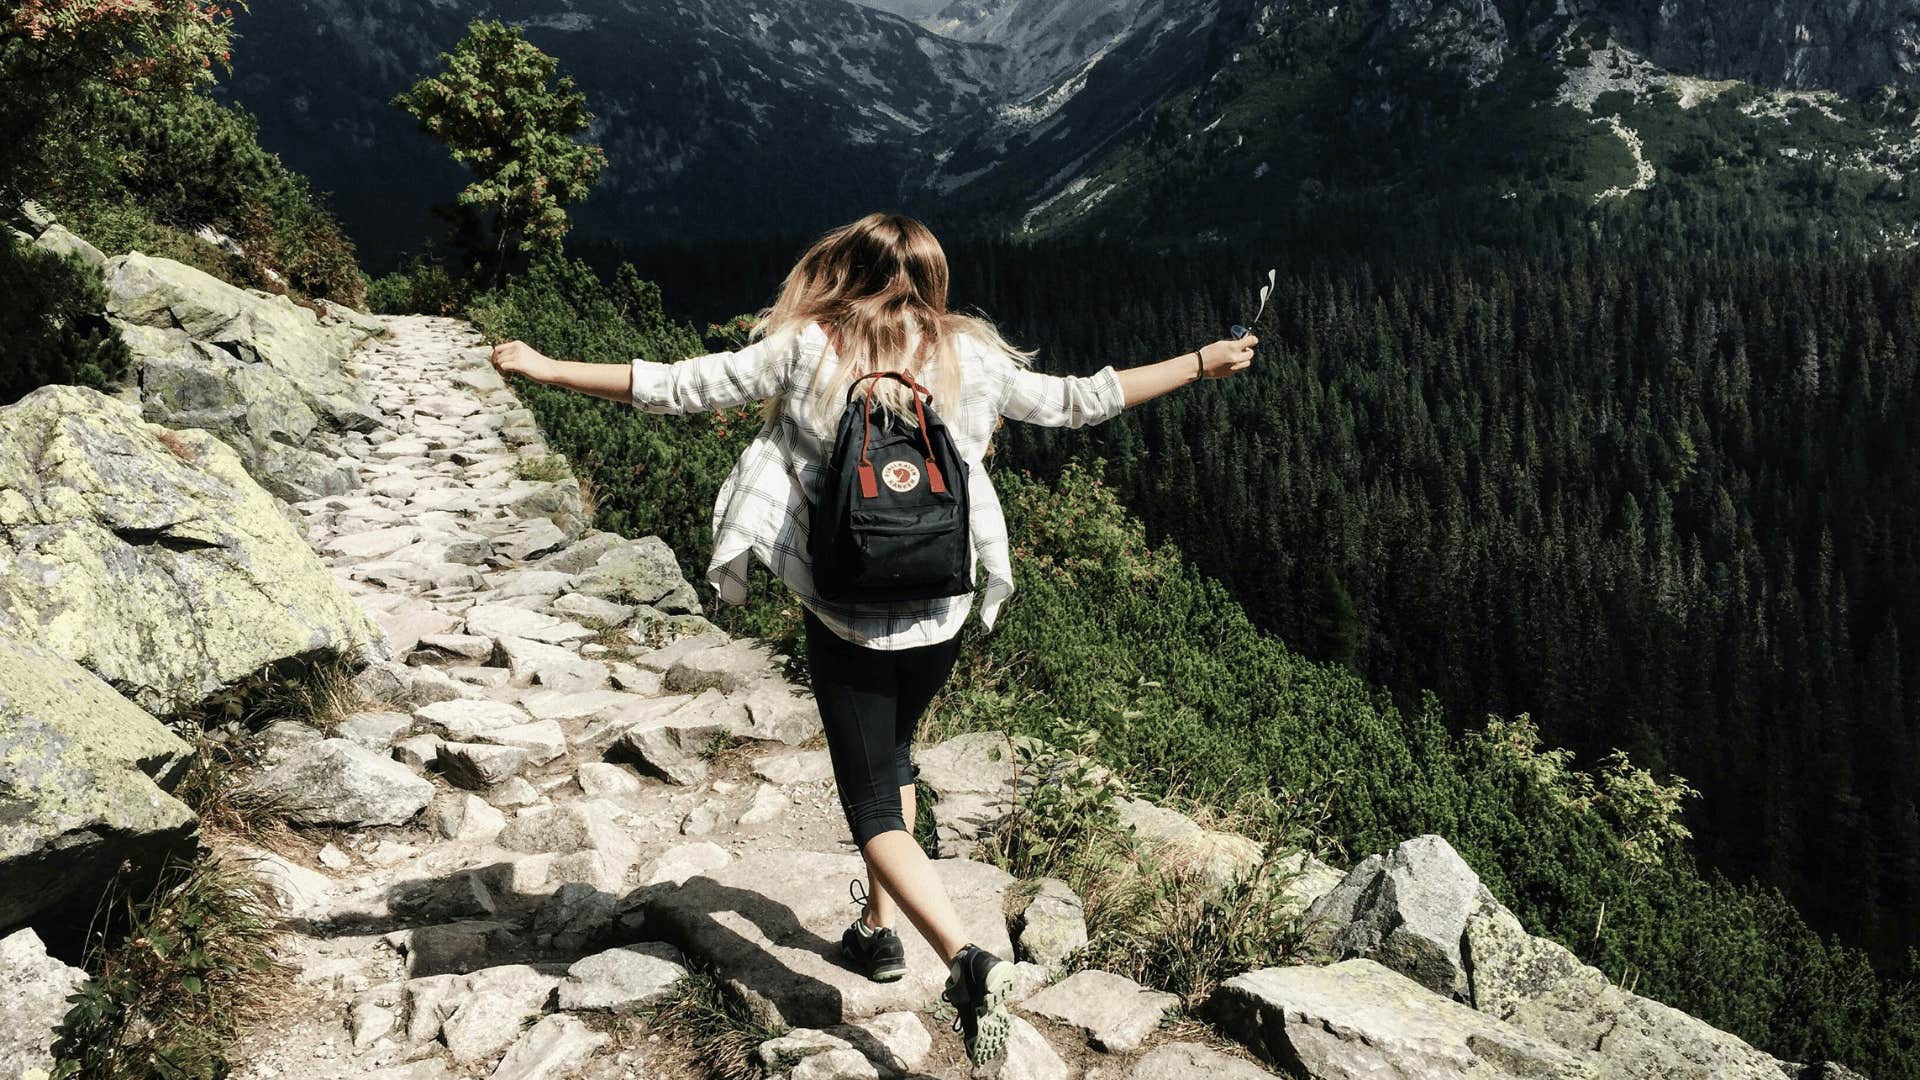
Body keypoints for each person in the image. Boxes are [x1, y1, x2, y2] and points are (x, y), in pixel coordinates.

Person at [488, 211, 1256, 1065]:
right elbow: (1083, 401)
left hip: (848, 612)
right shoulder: (972, 355)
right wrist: (1201, 360)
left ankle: (965, 963)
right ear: (933, 279)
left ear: (842, 271)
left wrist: (545, 366)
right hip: (941, 607)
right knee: (897, 757)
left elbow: (676, 384)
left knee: (870, 801)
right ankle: (876, 932)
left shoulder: (804, 346)